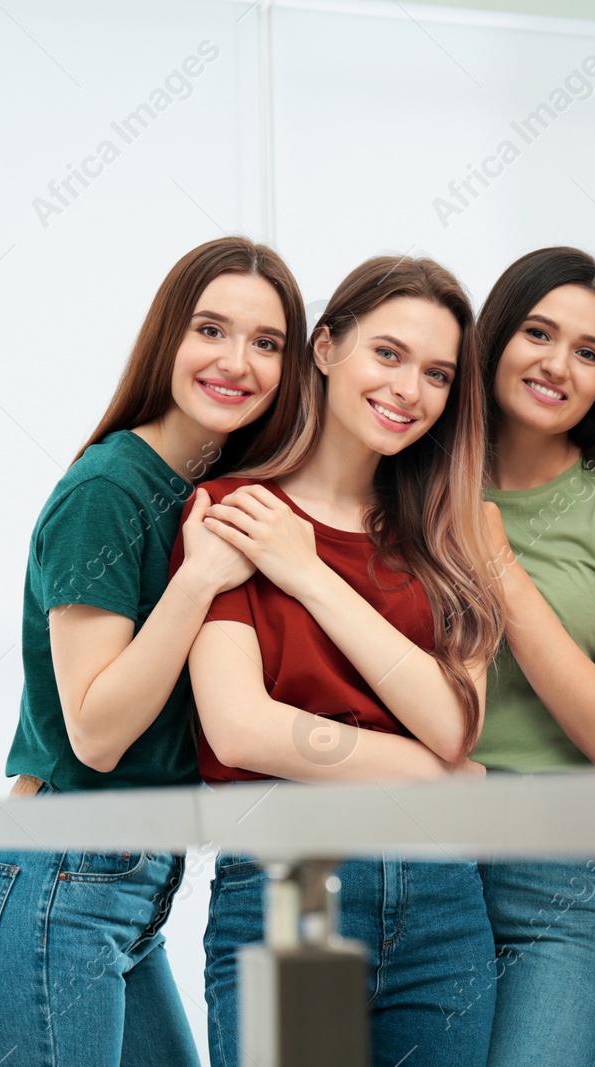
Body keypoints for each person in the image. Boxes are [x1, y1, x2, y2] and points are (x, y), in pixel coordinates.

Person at [0, 237, 307, 1066]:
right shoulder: (111, 489)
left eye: (267, 343)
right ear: (167, 338)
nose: (236, 361)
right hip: (51, 890)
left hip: (120, 905)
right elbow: (96, 731)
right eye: (211, 329)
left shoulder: (216, 494)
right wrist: (199, 578)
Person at [181, 255, 504, 1067]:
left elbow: (451, 725)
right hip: (290, 878)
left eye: (436, 374)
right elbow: (241, 729)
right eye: (387, 354)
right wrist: (426, 773)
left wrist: (308, 575)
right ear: (325, 348)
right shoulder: (233, 509)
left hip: (442, 903)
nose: (409, 389)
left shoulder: (447, 538)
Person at [468, 247, 595, 1067]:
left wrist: (501, 570)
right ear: (495, 338)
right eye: (538, 333)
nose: (558, 364)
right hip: (427, 850)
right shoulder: (414, 481)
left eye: (588, 352)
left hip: (564, 872)